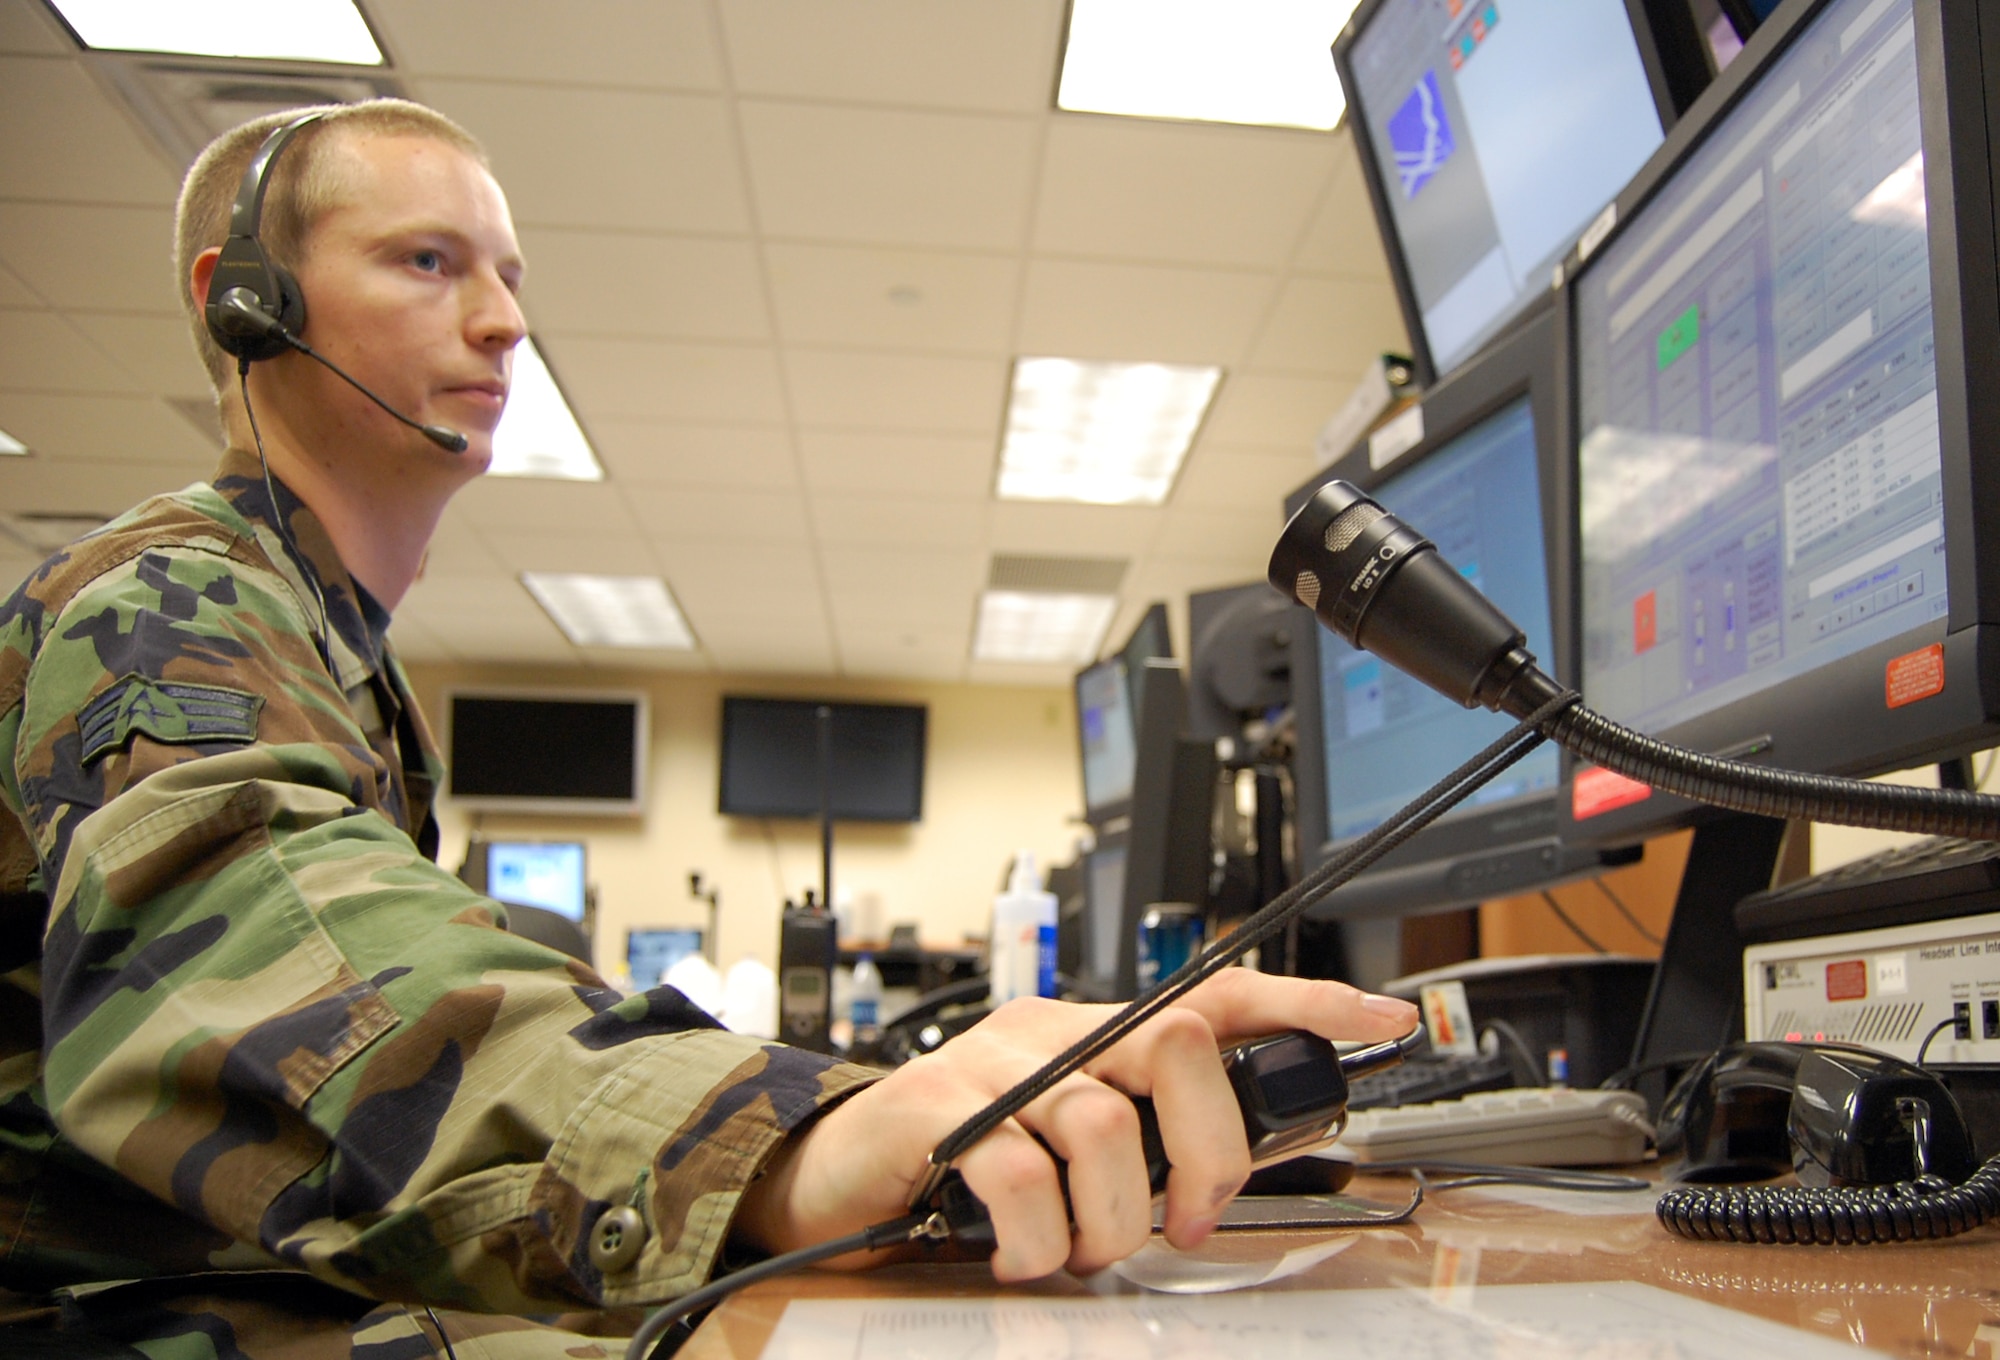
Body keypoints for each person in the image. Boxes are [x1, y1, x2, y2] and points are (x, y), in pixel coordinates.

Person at [0, 100, 1418, 1356]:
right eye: (427, 262)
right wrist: (783, 1130)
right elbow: (267, 946)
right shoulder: (169, 596)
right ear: (245, 300)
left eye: (509, 276)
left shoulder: (330, 645)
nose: (502, 320)